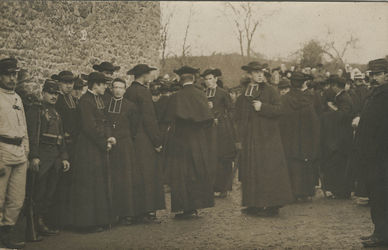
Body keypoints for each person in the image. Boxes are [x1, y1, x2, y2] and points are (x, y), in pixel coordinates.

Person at [235, 61, 293, 217]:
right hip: (251, 138)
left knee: (268, 170)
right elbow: (239, 116)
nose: (260, 75)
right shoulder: (245, 91)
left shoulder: (271, 91)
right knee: (251, 170)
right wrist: (240, 137)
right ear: (249, 75)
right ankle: (253, 203)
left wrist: (263, 108)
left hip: (268, 137)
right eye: (256, 72)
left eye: (261, 72)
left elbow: (280, 110)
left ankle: (272, 205)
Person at [165, 66, 216, 219]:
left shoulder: (176, 97)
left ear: (181, 81)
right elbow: (208, 119)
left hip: (180, 140)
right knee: (197, 171)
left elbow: (169, 118)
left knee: (181, 174)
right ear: (193, 79)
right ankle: (195, 207)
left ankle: (184, 208)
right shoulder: (201, 95)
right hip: (198, 140)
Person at [70, 72, 117, 232]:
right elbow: (89, 127)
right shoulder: (85, 101)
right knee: (87, 185)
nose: (105, 87)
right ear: (95, 85)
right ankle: (85, 224)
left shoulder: (98, 100)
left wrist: (109, 136)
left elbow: (106, 120)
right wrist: (104, 142)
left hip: (97, 147)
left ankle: (99, 220)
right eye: (103, 84)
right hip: (87, 148)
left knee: (98, 184)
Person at [26, 80, 70, 236]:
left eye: (56, 94)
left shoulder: (56, 113)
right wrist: (34, 156)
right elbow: (33, 135)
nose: (53, 97)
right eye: (50, 93)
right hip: (42, 157)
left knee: (50, 193)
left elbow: (61, 137)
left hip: (55, 158)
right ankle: (34, 226)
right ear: (43, 93)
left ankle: (42, 221)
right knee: (38, 192)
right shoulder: (36, 111)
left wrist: (64, 157)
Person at [125, 64, 165, 222]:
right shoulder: (143, 92)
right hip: (144, 138)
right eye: (149, 74)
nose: (150, 76)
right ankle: (148, 211)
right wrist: (156, 141)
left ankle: (135, 211)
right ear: (143, 76)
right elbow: (149, 119)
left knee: (136, 174)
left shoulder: (129, 91)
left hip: (132, 138)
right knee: (149, 174)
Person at [355, 58, 388, 247]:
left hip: (381, 155)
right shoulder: (375, 93)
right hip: (373, 154)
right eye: (372, 74)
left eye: (377, 74)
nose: (373, 78)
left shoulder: (384, 95)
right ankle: (379, 231)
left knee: (381, 195)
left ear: (386, 75)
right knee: (376, 195)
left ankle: (383, 234)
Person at [105, 78, 146, 225]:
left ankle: (127, 213)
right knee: (112, 179)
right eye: (115, 87)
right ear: (111, 88)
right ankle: (113, 213)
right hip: (110, 144)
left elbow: (134, 127)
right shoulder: (105, 104)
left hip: (125, 146)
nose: (117, 90)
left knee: (126, 179)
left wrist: (125, 137)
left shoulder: (131, 106)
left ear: (124, 89)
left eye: (120, 88)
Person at [0, 58, 29, 249]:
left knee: (17, 199)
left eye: (15, 74)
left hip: (19, 153)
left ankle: (6, 235)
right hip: (2, 151)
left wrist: (26, 151)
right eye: (9, 74)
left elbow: (24, 128)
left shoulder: (17, 98)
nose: (12, 78)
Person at [279, 72, 320, 202]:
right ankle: (305, 192)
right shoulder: (306, 100)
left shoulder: (284, 100)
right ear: (303, 83)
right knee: (305, 164)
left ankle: (291, 192)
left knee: (291, 163)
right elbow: (314, 123)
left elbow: (280, 120)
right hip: (305, 140)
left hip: (288, 139)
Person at [202, 68, 237, 198]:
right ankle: (211, 186)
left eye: (210, 78)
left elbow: (232, 110)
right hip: (207, 130)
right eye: (206, 79)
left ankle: (223, 187)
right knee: (211, 157)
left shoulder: (222, 93)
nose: (208, 81)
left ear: (216, 79)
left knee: (223, 157)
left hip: (222, 130)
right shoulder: (203, 94)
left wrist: (222, 119)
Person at [320, 75, 354, 199]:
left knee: (340, 163)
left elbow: (344, 115)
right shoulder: (341, 96)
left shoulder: (344, 98)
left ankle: (342, 191)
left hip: (342, 137)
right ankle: (340, 190)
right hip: (341, 136)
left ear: (335, 86)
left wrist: (331, 108)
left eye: (331, 85)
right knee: (339, 163)